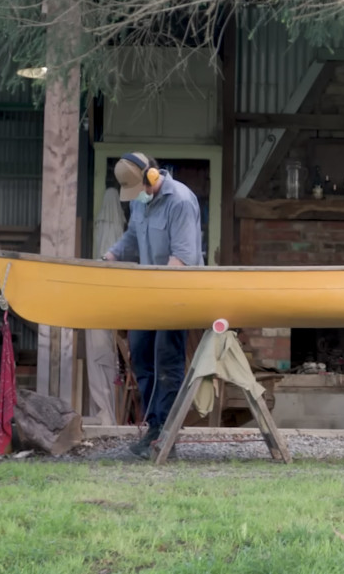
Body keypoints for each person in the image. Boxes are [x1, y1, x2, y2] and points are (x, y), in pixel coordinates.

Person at [103, 152, 203, 458]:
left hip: (176, 295)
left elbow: (182, 259)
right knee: (142, 356)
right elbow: (133, 238)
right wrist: (111, 256)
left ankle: (167, 435)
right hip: (149, 296)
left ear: (152, 177)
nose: (140, 196)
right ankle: (154, 426)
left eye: (142, 189)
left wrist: (161, 294)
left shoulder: (181, 202)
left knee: (166, 361)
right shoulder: (139, 202)